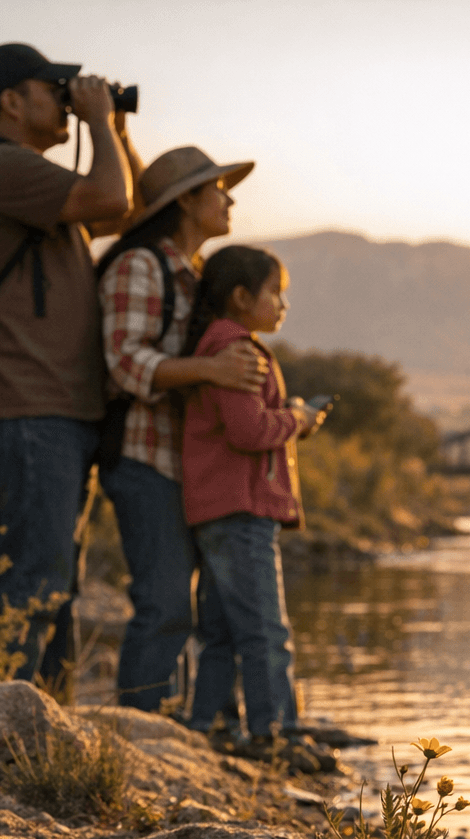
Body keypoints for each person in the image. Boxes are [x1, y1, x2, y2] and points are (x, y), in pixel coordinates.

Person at [0, 43, 138, 681]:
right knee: (31, 579)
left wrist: (114, 127)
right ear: (11, 101)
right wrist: (99, 126)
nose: (64, 100)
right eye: (51, 88)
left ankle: (40, 727)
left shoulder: (40, 187)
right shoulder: (2, 168)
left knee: (53, 581)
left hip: (49, 408)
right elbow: (112, 199)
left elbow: (130, 208)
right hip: (23, 403)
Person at [97, 147, 268, 712]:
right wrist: (212, 370)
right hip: (144, 457)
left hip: (186, 465)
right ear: (186, 202)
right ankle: (136, 727)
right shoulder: (140, 266)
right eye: (216, 189)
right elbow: (123, 362)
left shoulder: (191, 275)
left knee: (189, 606)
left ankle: (168, 719)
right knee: (165, 601)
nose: (229, 198)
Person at [177, 246, 324, 750]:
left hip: (216, 509)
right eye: (274, 292)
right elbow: (248, 430)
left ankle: (207, 725)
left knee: (219, 630)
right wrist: (298, 420)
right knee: (266, 631)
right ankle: (273, 732)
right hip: (242, 510)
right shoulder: (238, 351)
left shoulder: (216, 344)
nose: (283, 304)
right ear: (241, 297)